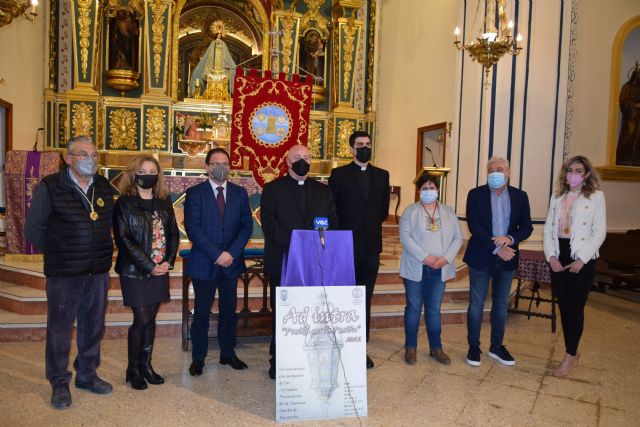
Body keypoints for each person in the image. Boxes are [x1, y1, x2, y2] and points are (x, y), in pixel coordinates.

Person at [24, 135, 114, 409]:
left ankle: (87, 374)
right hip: (64, 273)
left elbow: (106, 223)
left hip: (97, 271)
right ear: (69, 158)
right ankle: (59, 382)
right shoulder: (51, 187)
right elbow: (33, 229)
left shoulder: (103, 186)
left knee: (92, 326)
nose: (91, 159)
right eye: (84, 154)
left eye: (95, 155)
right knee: (60, 330)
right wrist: (59, 254)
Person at [261, 144, 338, 379]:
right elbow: (269, 223)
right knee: (283, 312)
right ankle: (278, 359)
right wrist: (296, 245)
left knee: (311, 312)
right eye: (297, 157)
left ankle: (307, 357)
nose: (302, 161)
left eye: (306, 157)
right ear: (287, 161)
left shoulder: (323, 191)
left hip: (316, 262)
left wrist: (316, 244)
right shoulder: (273, 189)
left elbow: (332, 220)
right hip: (284, 259)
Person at [184, 148, 253, 376]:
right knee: (202, 312)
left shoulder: (240, 193)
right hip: (205, 262)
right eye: (216, 163)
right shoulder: (195, 193)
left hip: (231, 263)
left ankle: (227, 353)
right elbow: (192, 228)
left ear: (230, 167)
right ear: (207, 167)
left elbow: (246, 226)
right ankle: (198, 357)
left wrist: (230, 253)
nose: (221, 167)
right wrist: (217, 254)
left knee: (228, 312)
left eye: (225, 162)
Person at [113, 156, 179, 390]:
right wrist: (149, 265)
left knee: (151, 319)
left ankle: (146, 365)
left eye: (152, 171)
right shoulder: (124, 203)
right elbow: (124, 240)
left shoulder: (163, 202)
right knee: (140, 319)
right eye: (143, 170)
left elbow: (173, 234)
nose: (148, 175)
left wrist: (168, 262)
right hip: (135, 271)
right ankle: (133, 369)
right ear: (133, 174)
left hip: (161, 270)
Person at [464, 156, 533, 367]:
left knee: (501, 305)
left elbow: (526, 227)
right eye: (491, 170)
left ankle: (496, 346)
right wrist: (497, 249)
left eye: (500, 169)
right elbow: (474, 226)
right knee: (476, 304)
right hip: (481, 257)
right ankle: (473, 346)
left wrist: (510, 240)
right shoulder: (475, 194)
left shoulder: (520, 196)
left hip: (508, 258)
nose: (495, 172)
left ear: (509, 172)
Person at [329, 130, 389, 369]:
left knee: (365, 298)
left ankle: (359, 347)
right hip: (346, 246)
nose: (365, 148)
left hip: (371, 246)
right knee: (345, 298)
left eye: (368, 144)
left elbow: (383, 210)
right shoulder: (339, 174)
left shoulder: (383, 175)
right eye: (360, 145)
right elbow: (333, 209)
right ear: (352, 149)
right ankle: (340, 344)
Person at [543, 155, 606, 378]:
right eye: (570, 170)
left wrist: (583, 259)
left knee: (574, 308)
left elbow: (599, 232)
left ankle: (570, 355)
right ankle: (573, 350)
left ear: (586, 174)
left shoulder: (596, 197)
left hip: (581, 257)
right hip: (559, 255)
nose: (573, 175)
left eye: (578, 171)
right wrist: (551, 256)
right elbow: (548, 229)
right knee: (563, 306)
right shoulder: (557, 197)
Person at [399, 172, 463, 365]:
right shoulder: (410, 212)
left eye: (432, 188)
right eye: (425, 188)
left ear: (437, 190)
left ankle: (436, 348)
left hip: (440, 268)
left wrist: (445, 259)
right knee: (413, 308)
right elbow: (405, 238)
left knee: (434, 310)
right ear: (419, 191)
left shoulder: (448, 212)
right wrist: (425, 257)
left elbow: (458, 238)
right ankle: (411, 347)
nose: (429, 191)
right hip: (415, 267)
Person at [616, 64, 640, 166]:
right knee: (629, 134)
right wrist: (634, 106)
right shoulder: (626, 87)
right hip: (630, 118)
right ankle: (623, 156)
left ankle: (636, 158)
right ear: (634, 76)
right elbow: (623, 102)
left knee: (638, 137)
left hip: (638, 117)